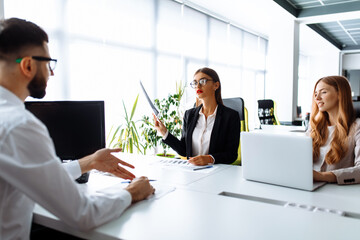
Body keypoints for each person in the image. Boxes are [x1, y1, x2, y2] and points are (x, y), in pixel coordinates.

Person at [0, 18, 155, 239]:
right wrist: (132, 193)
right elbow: (83, 214)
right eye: (48, 63)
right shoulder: (19, 126)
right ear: (27, 65)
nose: (51, 73)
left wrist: (89, 162)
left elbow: (40, 174)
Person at [154, 67, 240, 165]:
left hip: (216, 172)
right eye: (195, 83)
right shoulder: (189, 115)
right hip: (192, 171)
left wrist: (210, 159)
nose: (198, 85)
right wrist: (164, 133)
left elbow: (231, 155)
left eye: (203, 81)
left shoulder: (231, 116)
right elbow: (184, 150)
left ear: (216, 85)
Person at [309, 75, 360, 184]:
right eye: (316, 94)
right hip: (308, 186)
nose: (317, 98)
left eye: (323, 92)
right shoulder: (314, 127)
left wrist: (321, 176)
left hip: (336, 192)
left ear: (340, 94)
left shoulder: (356, 127)